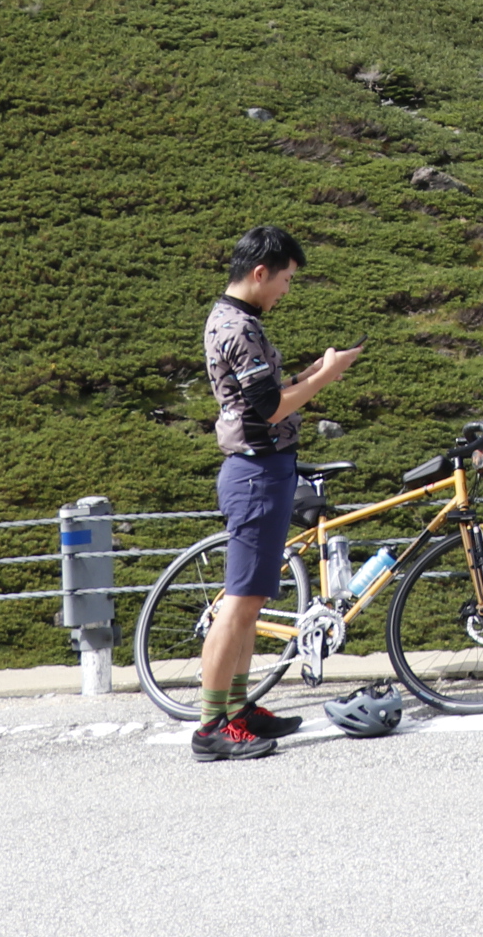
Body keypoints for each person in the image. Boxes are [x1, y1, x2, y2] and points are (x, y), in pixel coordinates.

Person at [193, 225, 361, 762]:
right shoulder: (238, 328)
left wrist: (317, 370)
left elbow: (265, 393)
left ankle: (237, 709)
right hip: (255, 473)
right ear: (260, 272)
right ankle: (210, 726)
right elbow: (269, 410)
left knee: (250, 603)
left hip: (263, 471)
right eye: (285, 279)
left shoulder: (236, 321)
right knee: (238, 604)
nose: (287, 290)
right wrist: (326, 378)